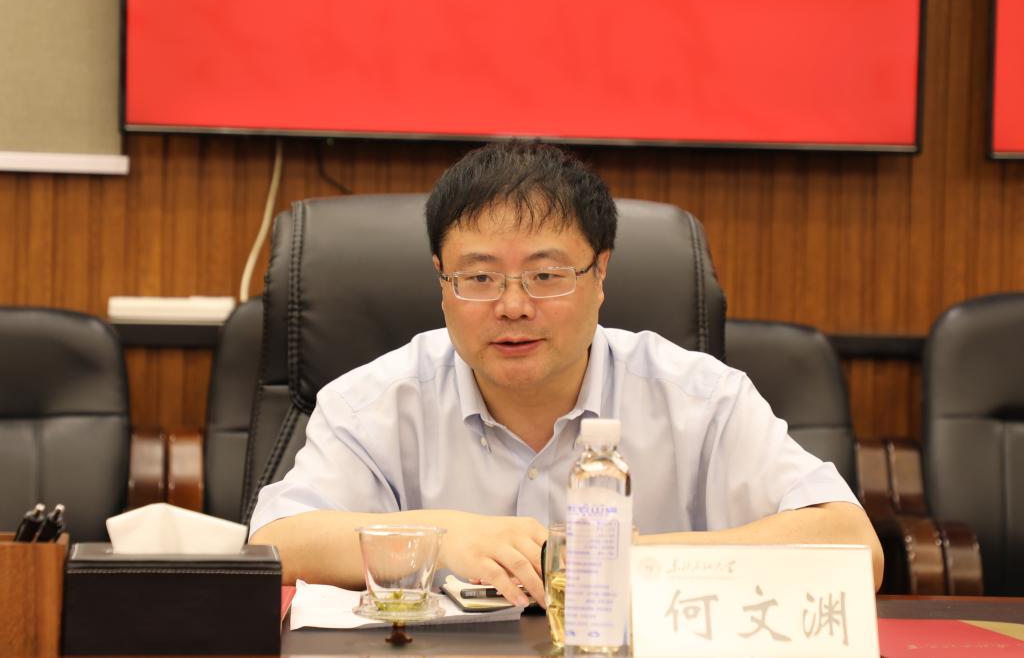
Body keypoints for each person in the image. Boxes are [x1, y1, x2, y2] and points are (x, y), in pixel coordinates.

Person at [249, 142, 883, 606]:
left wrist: (629, 561)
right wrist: (440, 538)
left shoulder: (701, 398)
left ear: (600, 273)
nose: (513, 306)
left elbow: (855, 546)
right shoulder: (373, 401)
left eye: (546, 275)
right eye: (479, 277)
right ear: (441, 280)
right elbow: (276, 544)